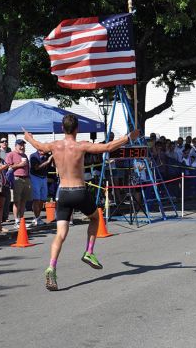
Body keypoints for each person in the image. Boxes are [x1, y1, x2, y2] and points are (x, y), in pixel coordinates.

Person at [23, 114, 139, 291]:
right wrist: (128, 137)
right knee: (95, 218)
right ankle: (89, 252)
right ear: (77, 129)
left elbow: (38, 146)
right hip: (78, 191)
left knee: (60, 234)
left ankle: (51, 267)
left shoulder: (55, 145)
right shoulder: (81, 145)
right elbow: (107, 147)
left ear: (62, 128)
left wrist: (28, 137)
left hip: (63, 193)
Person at [5, 139, 32, 229]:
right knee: (17, 201)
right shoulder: (10, 154)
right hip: (16, 178)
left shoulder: (24, 155)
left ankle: (21, 220)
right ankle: (16, 221)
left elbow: (27, 167)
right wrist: (20, 165)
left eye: (23, 145)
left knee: (24, 200)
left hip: (26, 178)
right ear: (15, 146)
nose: (22, 147)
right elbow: (8, 167)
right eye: (20, 145)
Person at [30, 150, 53, 226]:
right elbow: (36, 168)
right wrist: (48, 161)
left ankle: (37, 217)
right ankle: (37, 218)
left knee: (43, 199)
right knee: (36, 199)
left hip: (44, 177)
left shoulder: (47, 155)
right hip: (35, 177)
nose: (45, 150)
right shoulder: (33, 156)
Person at [0, 137, 11, 222]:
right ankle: (0, 217)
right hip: (0, 177)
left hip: (8, 177)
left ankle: (5, 216)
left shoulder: (9, 151)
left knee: (7, 198)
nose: (4, 143)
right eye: (2, 141)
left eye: (6, 141)